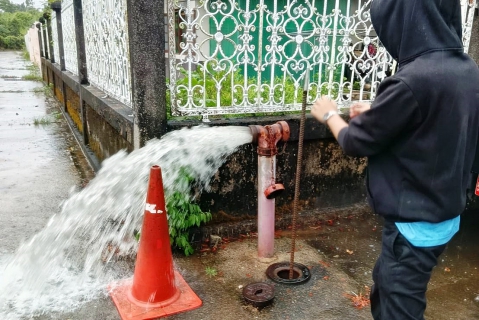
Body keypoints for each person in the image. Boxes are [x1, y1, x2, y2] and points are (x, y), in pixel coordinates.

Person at [310, 0, 479, 319]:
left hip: (414, 221)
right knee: (386, 287)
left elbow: (355, 141)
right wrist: (378, 112)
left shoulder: (412, 79)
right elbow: (435, 119)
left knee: (399, 306)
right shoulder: (467, 69)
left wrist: (330, 114)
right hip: (445, 211)